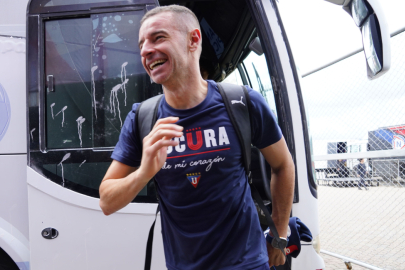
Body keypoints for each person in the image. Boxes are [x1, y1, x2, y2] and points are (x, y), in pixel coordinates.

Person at [99, 5, 295, 270]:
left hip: (247, 264)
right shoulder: (141, 118)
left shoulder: (242, 102)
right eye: (142, 44)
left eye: (158, 38)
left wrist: (279, 235)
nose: (145, 50)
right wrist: (144, 172)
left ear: (193, 40)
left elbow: (283, 165)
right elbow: (107, 201)